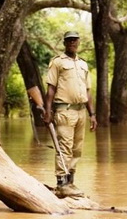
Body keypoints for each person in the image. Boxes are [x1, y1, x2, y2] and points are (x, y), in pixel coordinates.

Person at [43, 31, 97, 198]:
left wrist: (92, 114)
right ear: (65, 43)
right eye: (69, 40)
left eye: (75, 40)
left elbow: (88, 91)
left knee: (77, 148)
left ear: (79, 42)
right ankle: (61, 184)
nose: (72, 42)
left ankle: (70, 182)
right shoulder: (57, 62)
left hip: (81, 111)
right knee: (64, 148)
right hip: (64, 111)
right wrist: (48, 110)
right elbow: (51, 88)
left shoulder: (83, 64)